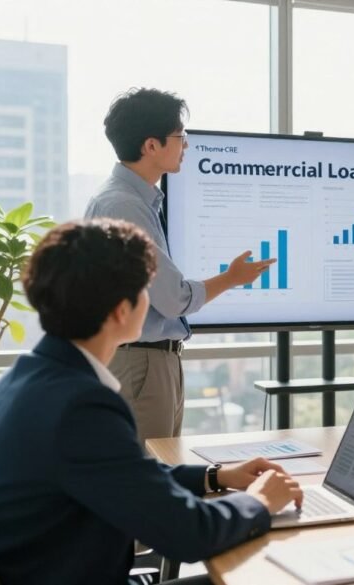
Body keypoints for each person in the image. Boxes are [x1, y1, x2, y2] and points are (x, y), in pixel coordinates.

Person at [0, 219, 303, 585]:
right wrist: (260, 502)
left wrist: (215, 477)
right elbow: (188, 534)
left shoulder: (25, 379)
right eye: (146, 290)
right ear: (120, 311)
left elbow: (124, 475)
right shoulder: (81, 405)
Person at [85, 88, 274, 443]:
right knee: (147, 481)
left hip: (151, 364)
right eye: (180, 136)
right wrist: (232, 278)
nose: (186, 145)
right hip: (141, 366)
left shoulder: (133, 201)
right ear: (151, 146)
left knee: (161, 471)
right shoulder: (124, 205)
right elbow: (172, 299)